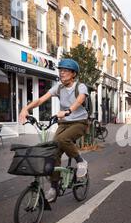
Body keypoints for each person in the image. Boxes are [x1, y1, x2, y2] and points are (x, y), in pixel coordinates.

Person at [19, 58, 89, 203]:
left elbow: (80, 100)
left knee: (61, 140)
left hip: (79, 122)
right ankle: (54, 187)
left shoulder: (80, 87)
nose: (61, 73)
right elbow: (41, 100)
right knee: (53, 151)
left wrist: (68, 111)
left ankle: (81, 161)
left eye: (65, 70)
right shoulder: (58, 87)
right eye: (60, 70)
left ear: (73, 74)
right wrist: (26, 108)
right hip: (63, 123)